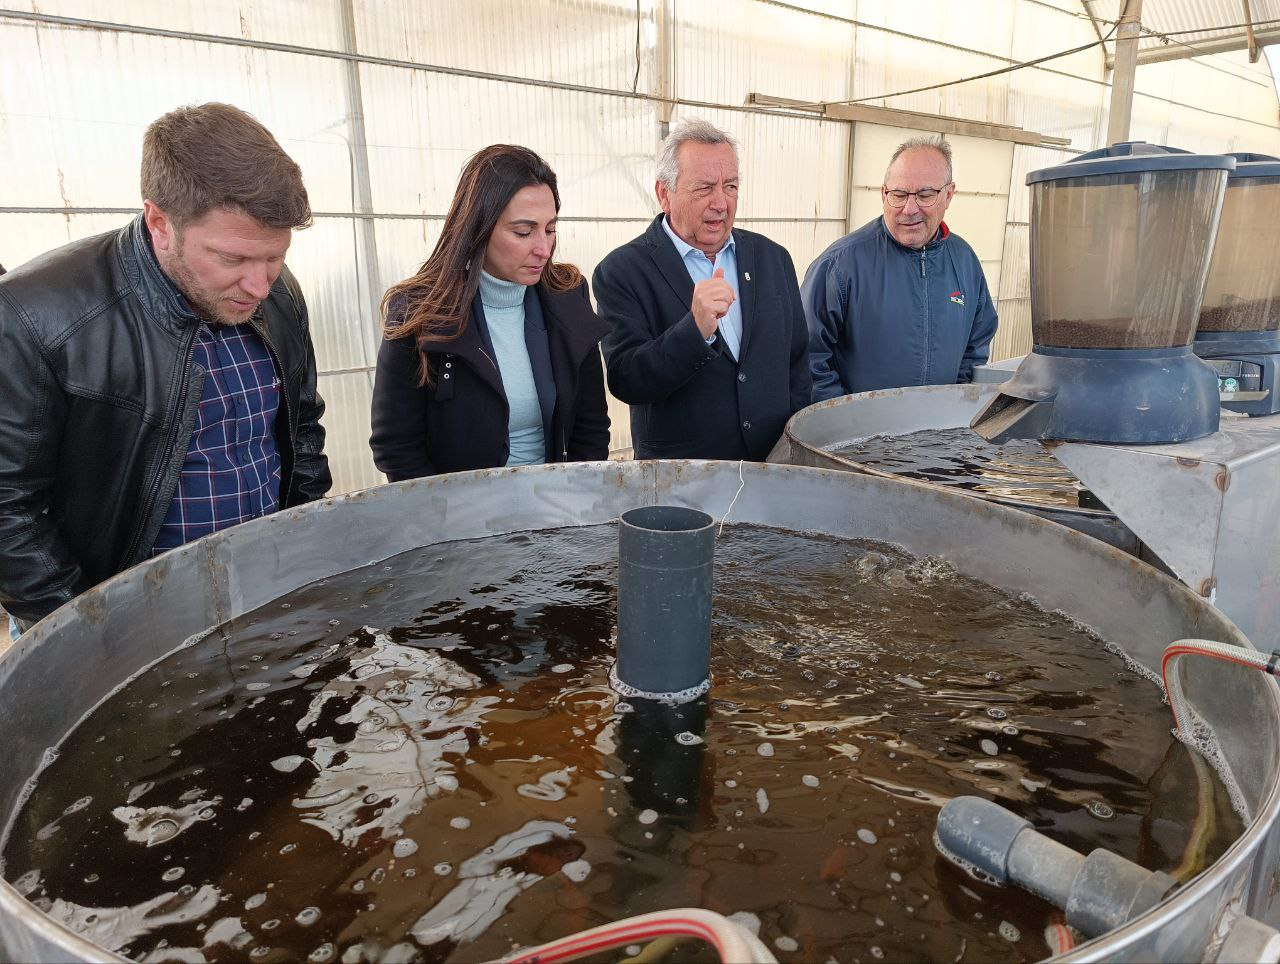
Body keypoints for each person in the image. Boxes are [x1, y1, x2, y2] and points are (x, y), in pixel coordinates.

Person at [0, 103, 330, 638]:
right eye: (231, 259)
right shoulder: (36, 314)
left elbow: (301, 430)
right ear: (159, 221)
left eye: (274, 257)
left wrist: (304, 554)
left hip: (263, 597)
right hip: (117, 623)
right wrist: (88, 631)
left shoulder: (279, 292)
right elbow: (8, 508)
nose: (260, 285)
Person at [370, 145, 610, 479]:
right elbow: (396, 447)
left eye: (550, 229)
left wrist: (576, 501)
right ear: (478, 229)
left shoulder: (568, 295)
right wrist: (447, 519)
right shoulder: (418, 313)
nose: (543, 248)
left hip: (557, 510)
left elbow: (591, 427)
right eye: (523, 232)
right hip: (459, 517)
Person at [593, 119, 811, 461]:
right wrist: (693, 331)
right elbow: (626, 379)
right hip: (682, 480)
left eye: (731, 186)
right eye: (705, 188)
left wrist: (792, 450)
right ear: (665, 193)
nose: (721, 203)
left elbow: (798, 362)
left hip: (772, 469)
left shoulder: (772, 258)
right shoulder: (622, 271)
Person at [802, 135, 998, 401]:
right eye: (899, 194)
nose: (909, 209)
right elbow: (806, 355)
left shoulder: (964, 262)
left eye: (925, 195)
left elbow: (976, 343)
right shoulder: (840, 264)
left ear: (949, 194)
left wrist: (954, 398)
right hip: (858, 436)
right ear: (884, 193)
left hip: (938, 431)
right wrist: (843, 417)